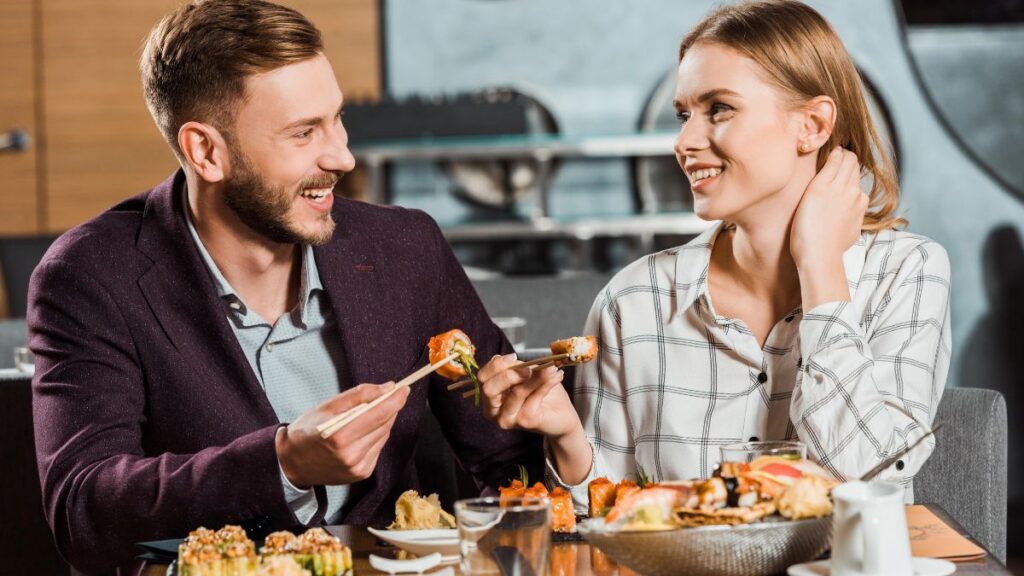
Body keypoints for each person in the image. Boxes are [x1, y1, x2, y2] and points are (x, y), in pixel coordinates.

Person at [28, 1, 542, 573]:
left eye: (337, 119)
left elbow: (513, 466)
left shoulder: (406, 247)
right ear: (206, 151)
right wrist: (284, 462)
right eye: (304, 133)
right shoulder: (89, 275)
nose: (342, 155)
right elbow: (83, 510)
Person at [479, 0, 951, 511]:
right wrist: (569, 441)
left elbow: (864, 482)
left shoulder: (908, 273)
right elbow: (606, 523)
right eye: (684, 115)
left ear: (812, 125)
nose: (684, 141)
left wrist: (820, 265)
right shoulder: (632, 300)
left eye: (719, 109)